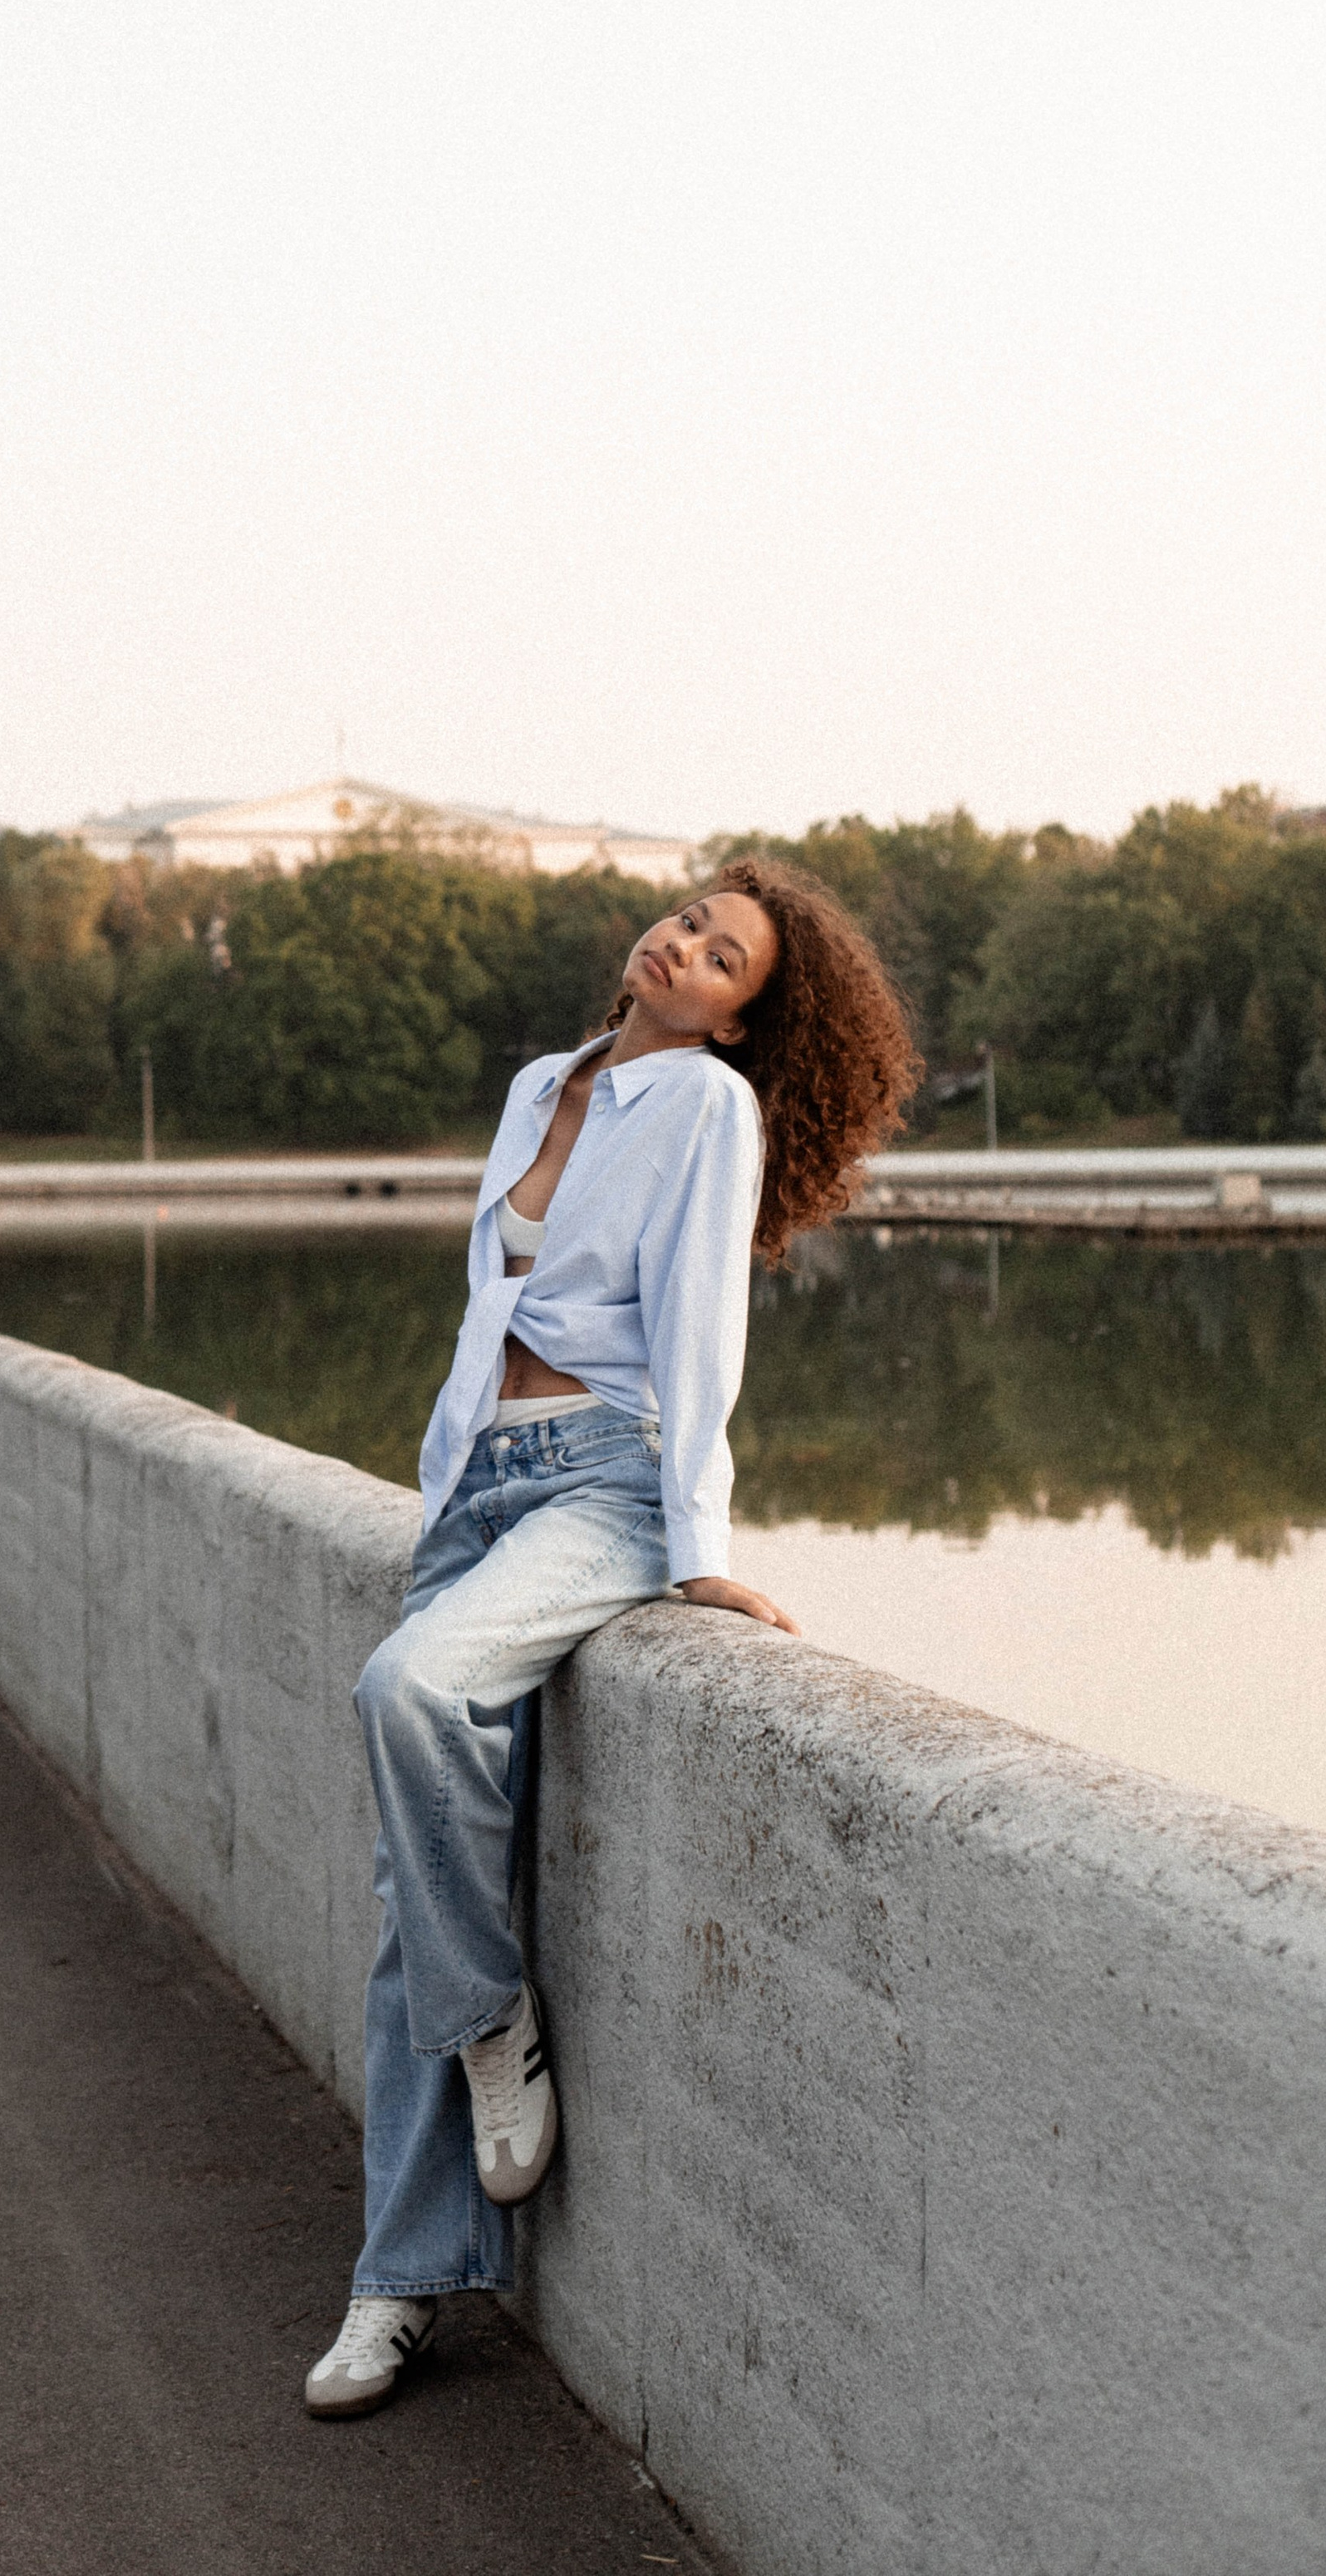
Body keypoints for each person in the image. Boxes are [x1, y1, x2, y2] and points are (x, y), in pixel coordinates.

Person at [302, 857, 921, 2416]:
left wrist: (694, 1547)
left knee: (409, 1686)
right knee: (406, 1901)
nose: (685, 945)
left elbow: (702, 1328)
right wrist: (448, 1478)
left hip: (600, 1483)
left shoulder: (711, 1114)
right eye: (689, 920)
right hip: (476, 1490)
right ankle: (396, 2286)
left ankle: (492, 2013)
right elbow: (486, 1312)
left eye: (724, 957)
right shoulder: (542, 1084)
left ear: (738, 1019)